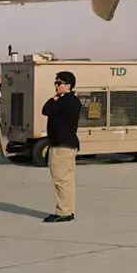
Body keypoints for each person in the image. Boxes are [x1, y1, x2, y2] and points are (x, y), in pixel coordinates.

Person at [42, 71, 82, 222]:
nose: (56, 86)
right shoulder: (72, 100)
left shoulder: (65, 101)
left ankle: (63, 212)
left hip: (61, 145)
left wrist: (54, 98)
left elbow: (46, 110)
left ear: (68, 85)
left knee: (61, 181)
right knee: (67, 181)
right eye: (56, 83)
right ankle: (68, 210)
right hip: (67, 144)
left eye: (59, 83)